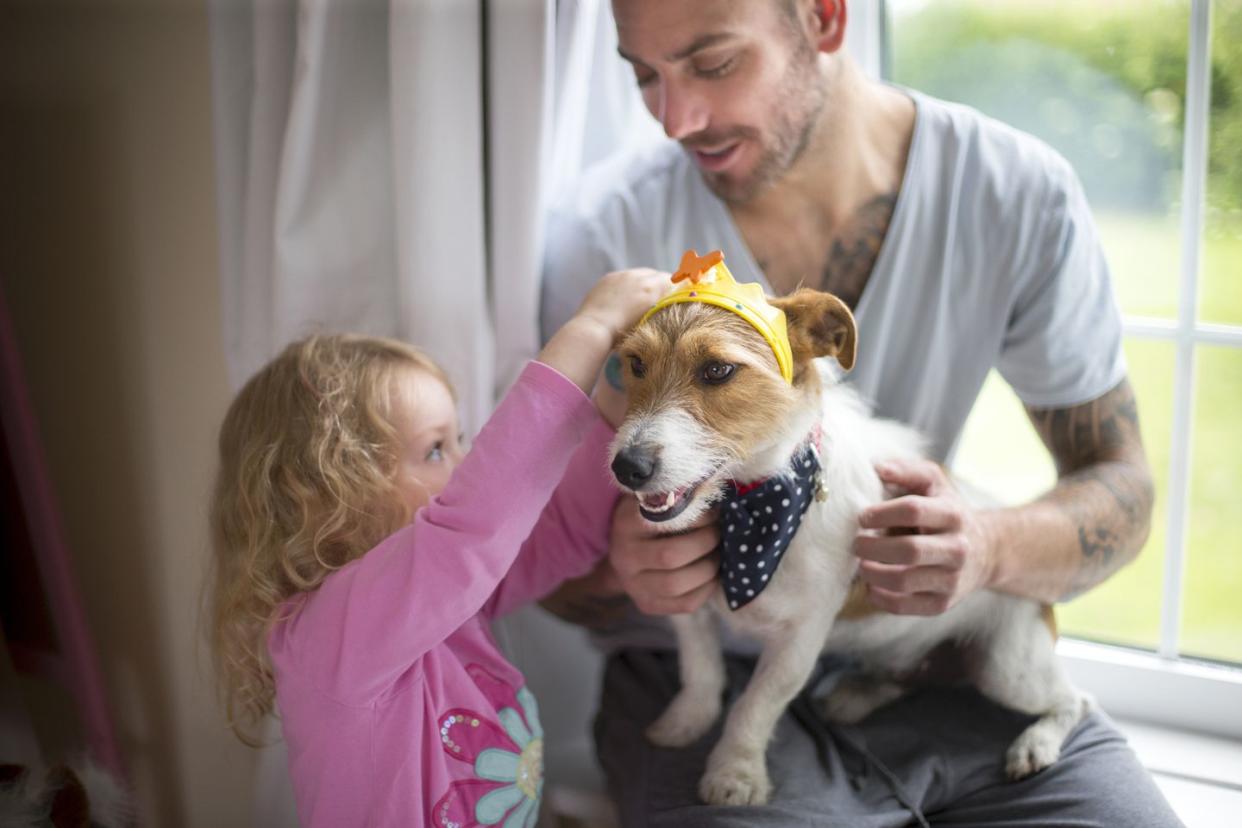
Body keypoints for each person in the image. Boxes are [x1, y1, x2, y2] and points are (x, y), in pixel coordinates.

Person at [540, 1, 1181, 825]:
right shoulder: (602, 235)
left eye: (713, 62)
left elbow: (1120, 488)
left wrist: (986, 547)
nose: (675, 119)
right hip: (689, 669)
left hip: (936, 657)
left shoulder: (1016, 192)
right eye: (643, 76)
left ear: (825, 18)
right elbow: (525, 559)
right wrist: (616, 570)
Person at [206, 268, 663, 827]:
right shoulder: (331, 636)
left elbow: (552, 535)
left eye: (459, 440)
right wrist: (591, 329)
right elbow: (480, 522)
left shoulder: (443, 610)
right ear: (330, 500)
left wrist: (617, 402)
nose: (467, 464)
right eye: (434, 450)